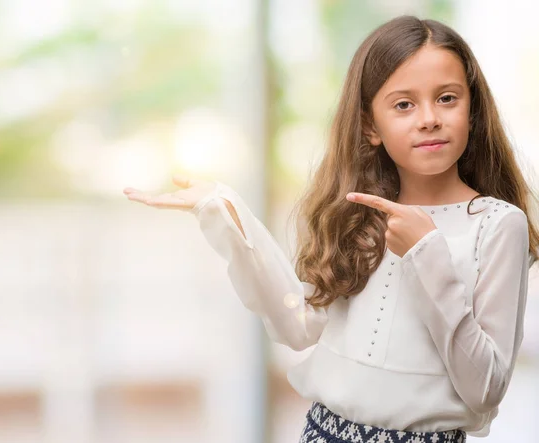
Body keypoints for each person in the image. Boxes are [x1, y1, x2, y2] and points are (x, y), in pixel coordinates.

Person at [123, 15, 539, 443]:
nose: (429, 118)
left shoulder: (497, 225)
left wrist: (427, 255)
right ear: (369, 126)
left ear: (473, 111)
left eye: (447, 98)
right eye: (403, 104)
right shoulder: (357, 216)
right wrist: (227, 215)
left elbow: (485, 389)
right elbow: (296, 325)